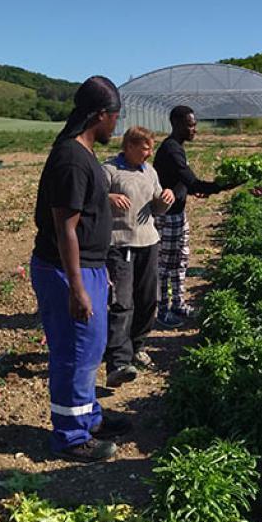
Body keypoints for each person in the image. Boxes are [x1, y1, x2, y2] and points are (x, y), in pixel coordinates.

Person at [29, 75, 130, 464]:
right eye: (114, 118)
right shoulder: (71, 158)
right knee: (74, 353)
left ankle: (89, 418)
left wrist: (95, 270)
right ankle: (70, 437)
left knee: (90, 350)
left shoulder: (83, 153)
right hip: (64, 272)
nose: (116, 126)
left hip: (85, 268)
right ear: (100, 115)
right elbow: (64, 226)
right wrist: (76, 287)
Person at [102, 126, 175, 388]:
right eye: (145, 148)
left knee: (147, 299)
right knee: (122, 302)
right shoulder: (110, 170)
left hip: (148, 241)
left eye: (151, 148)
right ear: (130, 146)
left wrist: (166, 198)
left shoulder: (149, 171)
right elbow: (91, 197)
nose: (149, 153)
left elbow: (156, 207)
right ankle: (118, 363)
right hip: (120, 243)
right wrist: (107, 196)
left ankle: (136, 346)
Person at [153, 106, 235, 326]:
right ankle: (162, 311)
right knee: (165, 265)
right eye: (190, 125)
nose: (194, 129)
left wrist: (189, 190)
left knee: (180, 261)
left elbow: (180, 181)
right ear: (177, 124)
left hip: (178, 214)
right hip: (168, 217)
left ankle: (178, 303)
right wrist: (221, 186)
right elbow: (192, 181)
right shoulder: (171, 150)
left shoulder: (177, 148)